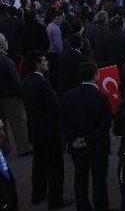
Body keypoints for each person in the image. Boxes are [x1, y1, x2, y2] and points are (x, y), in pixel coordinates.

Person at [21, 50, 74, 208]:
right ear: (37, 63)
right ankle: (56, 199)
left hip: (34, 129)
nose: (47, 63)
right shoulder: (42, 83)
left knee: (39, 163)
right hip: (49, 130)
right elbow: (54, 107)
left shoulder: (25, 81)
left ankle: (38, 193)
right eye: (44, 61)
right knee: (55, 166)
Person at [61, 61, 112, 211]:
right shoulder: (102, 97)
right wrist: (89, 139)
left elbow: (64, 121)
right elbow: (105, 125)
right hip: (97, 145)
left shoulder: (68, 96)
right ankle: (101, 206)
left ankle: (82, 206)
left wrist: (72, 139)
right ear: (95, 75)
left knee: (80, 179)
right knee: (99, 179)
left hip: (77, 145)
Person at [0, 33, 31, 156]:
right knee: (18, 122)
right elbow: (15, 81)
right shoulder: (6, 61)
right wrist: (21, 94)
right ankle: (23, 147)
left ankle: (4, 147)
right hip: (10, 96)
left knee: (2, 124)